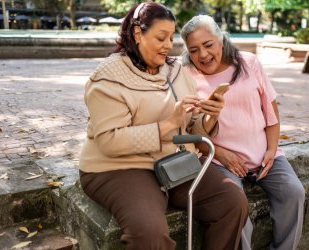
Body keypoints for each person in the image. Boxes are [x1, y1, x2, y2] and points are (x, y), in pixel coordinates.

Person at [79, 3, 248, 250]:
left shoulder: (176, 71)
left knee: (233, 202)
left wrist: (209, 118)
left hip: (173, 161)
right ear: (138, 34)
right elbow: (109, 141)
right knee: (149, 232)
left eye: (171, 37)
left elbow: (189, 130)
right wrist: (167, 126)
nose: (169, 45)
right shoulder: (107, 77)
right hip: (119, 167)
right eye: (161, 37)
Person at [180, 15, 305, 250]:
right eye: (194, 50)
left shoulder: (248, 62)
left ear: (221, 39)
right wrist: (222, 153)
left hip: (264, 156)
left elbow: (271, 110)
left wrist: (271, 149)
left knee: (294, 192)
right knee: (236, 208)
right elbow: (188, 131)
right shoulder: (186, 75)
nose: (203, 55)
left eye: (208, 45)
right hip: (218, 160)